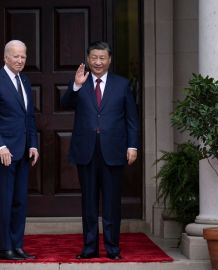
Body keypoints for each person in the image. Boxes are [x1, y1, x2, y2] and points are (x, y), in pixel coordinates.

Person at [61, 41, 139, 260]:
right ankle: (90, 248)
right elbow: (64, 104)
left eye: (102, 58)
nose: (97, 62)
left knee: (112, 203)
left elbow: (132, 119)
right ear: (88, 59)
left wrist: (132, 145)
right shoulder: (80, 82)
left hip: (114, 151)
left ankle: (113, 249)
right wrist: (75, 86)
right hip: (86, 151)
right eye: (93, 57)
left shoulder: (122, 84)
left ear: (109, 59)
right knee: (89, 203)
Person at [0, 40, 39, 260]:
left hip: (24, 152)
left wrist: (33, 144)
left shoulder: (25, 80)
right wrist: (0, 146)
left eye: (23, 56)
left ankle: (17, 246)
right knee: (5, 201)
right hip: (4, 154)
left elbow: (29, 117)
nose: (20, 60)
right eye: (16, 56)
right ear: (5, 57)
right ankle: (4, 248)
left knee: (20, 202)